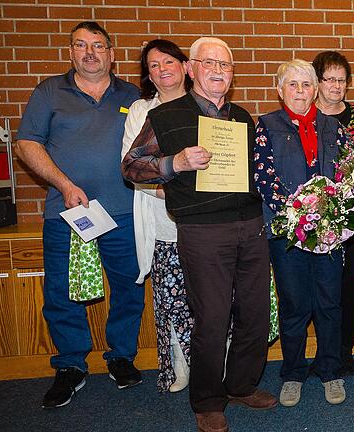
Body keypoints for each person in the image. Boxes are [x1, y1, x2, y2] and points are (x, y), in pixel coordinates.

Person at [122, 37, 276, 432]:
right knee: (212, 317)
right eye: (209, 63)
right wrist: (175, 162)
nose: (219, 70)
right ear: (191, 69)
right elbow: (131, 167)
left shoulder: (243, 117)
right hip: (202, 231)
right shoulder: (167, 115)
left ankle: (241, 384)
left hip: (250, 225)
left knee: (256, 314)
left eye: (225, 64)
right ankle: (207, 400)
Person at [15, 21, 144, 409]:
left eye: (98, 45)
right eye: (81, 45)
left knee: (128, 289)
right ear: (71, 52)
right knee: (61, 294)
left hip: (124, 213)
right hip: (67, 213)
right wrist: (65, 185)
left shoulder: (132, 95)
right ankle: (71, 365)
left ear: (111, 53)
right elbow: (26, 144)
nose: (90, 52)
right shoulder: (49, 92)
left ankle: (121, 357)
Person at [254, 59, 349, 407]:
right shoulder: (265, 126)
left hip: (329, 232)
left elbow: (347, 174)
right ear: (280, 90)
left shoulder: (332, 126)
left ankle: (330, 370)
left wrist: (329, 212)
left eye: (306, 84)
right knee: (294, 304)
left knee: (329, 302)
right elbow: (263, 178)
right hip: (287, 232)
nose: (300, 91)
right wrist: (299, 212)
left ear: (316, 89)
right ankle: (293, 372)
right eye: (292, 85)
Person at [120, 39, 193, 394]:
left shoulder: (205, 105)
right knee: (172, 297)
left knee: (213, 299)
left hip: (206, 224)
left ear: (184, 65)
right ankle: (180, 363)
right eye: (153, 65)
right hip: (165, 224)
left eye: (168, 61)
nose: (162, 69)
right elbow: (133, 168)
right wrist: (178, 194)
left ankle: (215, 362)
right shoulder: (141, 111)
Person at [312, 51, 354, 377]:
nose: (336, 85)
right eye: (329, 79)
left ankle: (345, 348)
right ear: (317, 82)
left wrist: (348, 197)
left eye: (341, 79)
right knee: (320, 286)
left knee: (349, 284)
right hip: (314, 214)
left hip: (350, 212)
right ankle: (324, 350)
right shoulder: (305, 114)